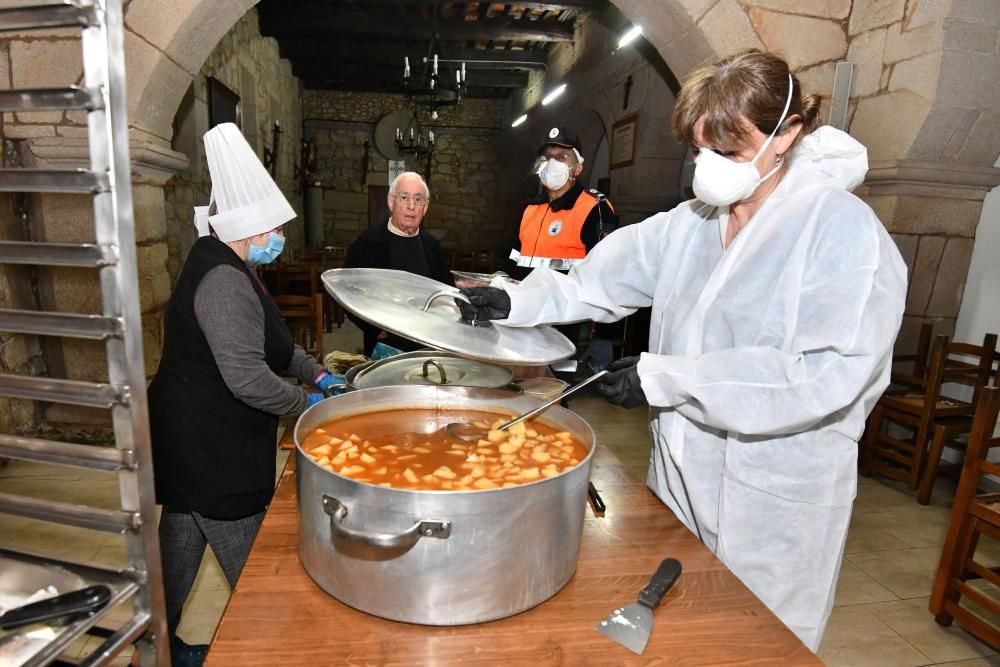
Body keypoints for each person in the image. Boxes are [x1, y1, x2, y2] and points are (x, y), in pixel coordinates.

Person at [458, 49, 907, 651]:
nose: (709, 167)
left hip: (774, 497)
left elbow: (823, 375)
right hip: (678, 477)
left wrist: (667, 379)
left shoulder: (843, 233)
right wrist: (515, 302)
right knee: (673, 634)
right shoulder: (692, 222)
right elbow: (597, 279)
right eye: (700, 149)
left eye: (729, 150)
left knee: (757, 646)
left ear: (787, 134)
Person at [146, 123, 339, 667]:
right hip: (213, 449)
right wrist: (308, 406)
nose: (279, 234)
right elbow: (248, 379)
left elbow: (274, 342)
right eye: (274, 225)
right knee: (260, 576)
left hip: (193, 442)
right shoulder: (225, 281)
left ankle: (155, 649)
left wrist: (317, 374)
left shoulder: (235, 264)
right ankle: (272, 650)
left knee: (179, 550)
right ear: (249, 228)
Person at [509, 127, 619, 369]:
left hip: (565, 322)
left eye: (562, 157)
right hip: (524, 318)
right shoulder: (530, 208)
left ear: (578, 167)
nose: (552, 164)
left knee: (554, 390)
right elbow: (516, 261)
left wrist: (604, 333)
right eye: (548, 157)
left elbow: (608, 272)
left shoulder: (594, 207)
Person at [344, 171, 452, 356]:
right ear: (391, 202)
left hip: (428, 344)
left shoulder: (432, 245)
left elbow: (446, 291)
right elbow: (347, 291)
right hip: (385, 346)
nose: (411, 206)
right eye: (404, 197)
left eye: (418, 200)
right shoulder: (368, 243)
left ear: (425, 208)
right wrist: (375, 330)